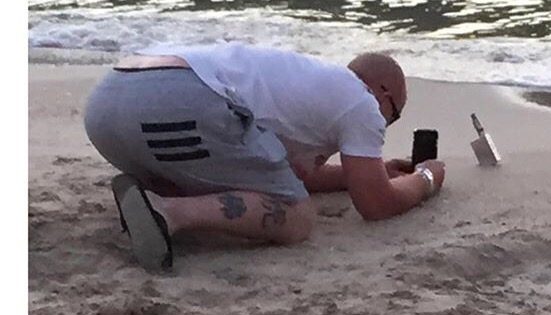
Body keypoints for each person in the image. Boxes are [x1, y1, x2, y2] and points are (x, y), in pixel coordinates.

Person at [84, 42, 446, 272]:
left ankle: (150, 183)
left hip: (110, 105)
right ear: (380, 92)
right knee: (298, 215)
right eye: (393, 114)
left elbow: (295, 175)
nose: (385, 123)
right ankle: (166, 212)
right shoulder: (361, 101)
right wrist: (426, 178)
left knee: (254, 179)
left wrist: (377, 170)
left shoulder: (302, 83)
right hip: (181, 100)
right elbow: (375, 204)